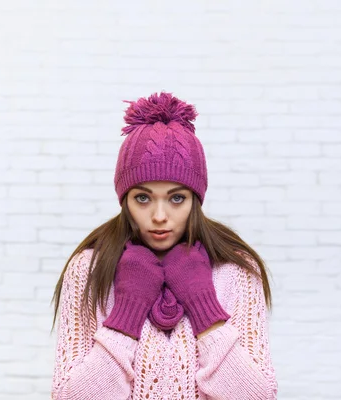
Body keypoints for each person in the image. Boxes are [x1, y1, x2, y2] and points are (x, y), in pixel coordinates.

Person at [51, 92, 278, 399]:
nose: (159, 216)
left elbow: (258, 396)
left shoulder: (236, 271)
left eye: (176, 198)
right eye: (142, 198)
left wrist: (204, 306)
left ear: (195, 199)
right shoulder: (89, 269)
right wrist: (127, 312)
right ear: (124, 199)